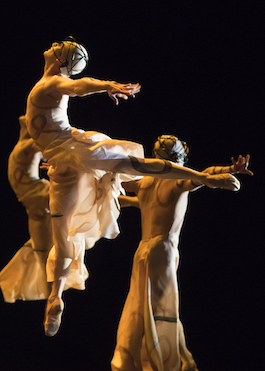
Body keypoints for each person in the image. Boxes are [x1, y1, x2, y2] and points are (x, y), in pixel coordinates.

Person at [25, 37, 240, 337]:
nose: (54, 43)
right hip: (66, 155)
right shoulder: (51, 84)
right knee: (133, 166)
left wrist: (107, 85)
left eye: (60, 45)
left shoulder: (51, 83)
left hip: (68, 155)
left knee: (63, 235)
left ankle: (56, 295)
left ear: (61, 60)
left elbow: (77, 86)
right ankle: (206, 179)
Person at [110, 136, 251, 371]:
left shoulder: (145, 182)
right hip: (162, 250)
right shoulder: (175, 182)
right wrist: (227, 172)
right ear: (179, 160)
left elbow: (131, 197)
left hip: (143, 250)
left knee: (140, 308)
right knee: (161, 309)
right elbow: (203, 174)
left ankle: (173, 361)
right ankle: (168, 362)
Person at [0, 115, 58, 302]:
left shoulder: (21, 149)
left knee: (43, 249)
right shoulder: (25, 147)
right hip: (35, 196)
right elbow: (44, 144)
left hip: (34, 200)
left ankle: (52, 295)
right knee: (43, 251)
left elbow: (44, 147)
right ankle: (52, 296)